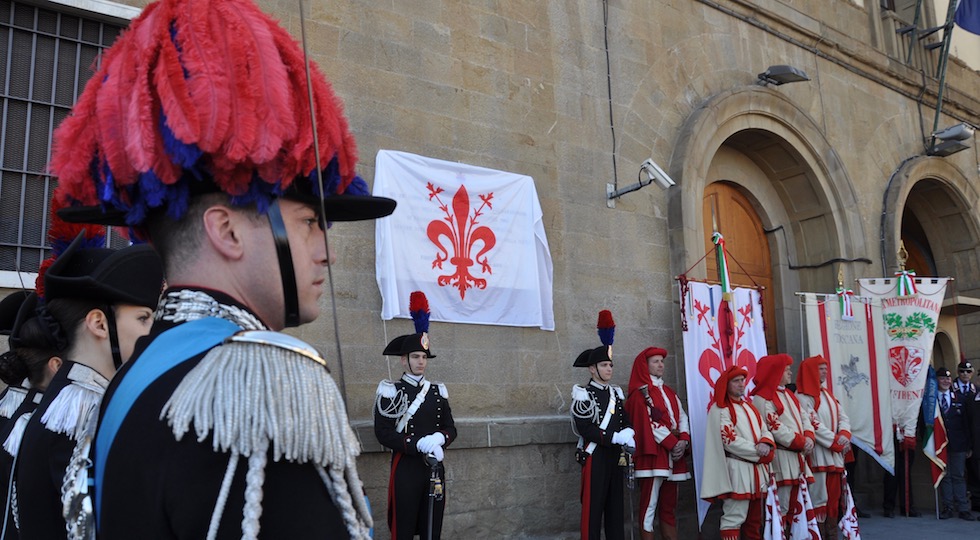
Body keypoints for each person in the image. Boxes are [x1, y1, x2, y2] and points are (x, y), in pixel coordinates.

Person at [49, 0, 397, 536]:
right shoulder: (259, 384)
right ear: (227, 231)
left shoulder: (129, 378)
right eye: (308, 222)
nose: (325, 251)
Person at [15, 231, 163, 538]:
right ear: (98, 323)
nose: (152, 332)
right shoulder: (82, 414)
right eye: (143, 318)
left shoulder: (71, 402)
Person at [374, 291, 457, 540]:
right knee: (405, 526)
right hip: (406, 467)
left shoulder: (437, 391)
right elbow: (383, 432)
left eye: (423, 357)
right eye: (415, 357)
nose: (421, 362)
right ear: (404, 361)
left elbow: (451, 427)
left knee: (432, 525)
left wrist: (441, 438)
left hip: (434, 466)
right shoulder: (391, 391)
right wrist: (415, 443)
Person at [571, 310, 633, 540]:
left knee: (616, 511)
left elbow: (624, 420)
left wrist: (629, 433)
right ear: (592, 368)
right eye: (604, 365)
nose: (609, 369)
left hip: (616, 456)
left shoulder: (616, 393)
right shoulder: (583, 394)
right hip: (595, 456)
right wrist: (614, 437)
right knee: (592, 511)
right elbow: (585, 428)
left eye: (610, 365)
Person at [700, 365, 774, 540]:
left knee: (755, 521)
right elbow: (729, 441)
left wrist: (766, 442)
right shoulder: (720, 409)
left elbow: (764, 429)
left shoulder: (749, 407)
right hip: (737, 470)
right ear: (727, 384)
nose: (741, 384)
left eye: (743, 381)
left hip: (757, 473)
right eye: (736, 381)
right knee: (733, 518)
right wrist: (759, 452)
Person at [624, 347, 690, 540]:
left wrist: (684, 440)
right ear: (645, 366)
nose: (661, 365)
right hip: (654, 456)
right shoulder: (639, 395)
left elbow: (682, 417)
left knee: (669, 506)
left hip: (674, 455)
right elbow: (647, 423)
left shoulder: (669, 392)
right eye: (656, 361)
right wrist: (673, 443)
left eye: (662, 361)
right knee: (649, 506)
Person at [750, 354, 815, 536]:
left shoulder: (789, 394)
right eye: (786, 370)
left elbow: (804, 418)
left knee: (796, 506)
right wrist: (801, 441)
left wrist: (809, 436)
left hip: (797, 458)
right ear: (776, 372)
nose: (790, 373)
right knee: (782, 507)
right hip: (782, 459)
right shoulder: (763, 398)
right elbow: (774, 427)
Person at [796, 355, 851, 539]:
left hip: (834, 455)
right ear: (811, 371)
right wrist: (836, 441)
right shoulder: (802, 397)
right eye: (821, 368)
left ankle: (831, 534)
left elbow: (843, 416)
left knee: (834, 499)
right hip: (818, 455)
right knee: (819, 498)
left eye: (826, 368)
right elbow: (813, 424)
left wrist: (844, 435)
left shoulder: (827, 394)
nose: (825, 371)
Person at [935, 367, 975, 520]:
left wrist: (969, 445)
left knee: (958, 475)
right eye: (942, 378)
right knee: (945, 476)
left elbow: (967, 424)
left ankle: (963, 508)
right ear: (937, 381)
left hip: (958, 444)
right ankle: (948, 507)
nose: (946, 381)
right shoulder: (932, 401)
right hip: (940, 445)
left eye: (948, 378)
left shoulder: (959, 398)